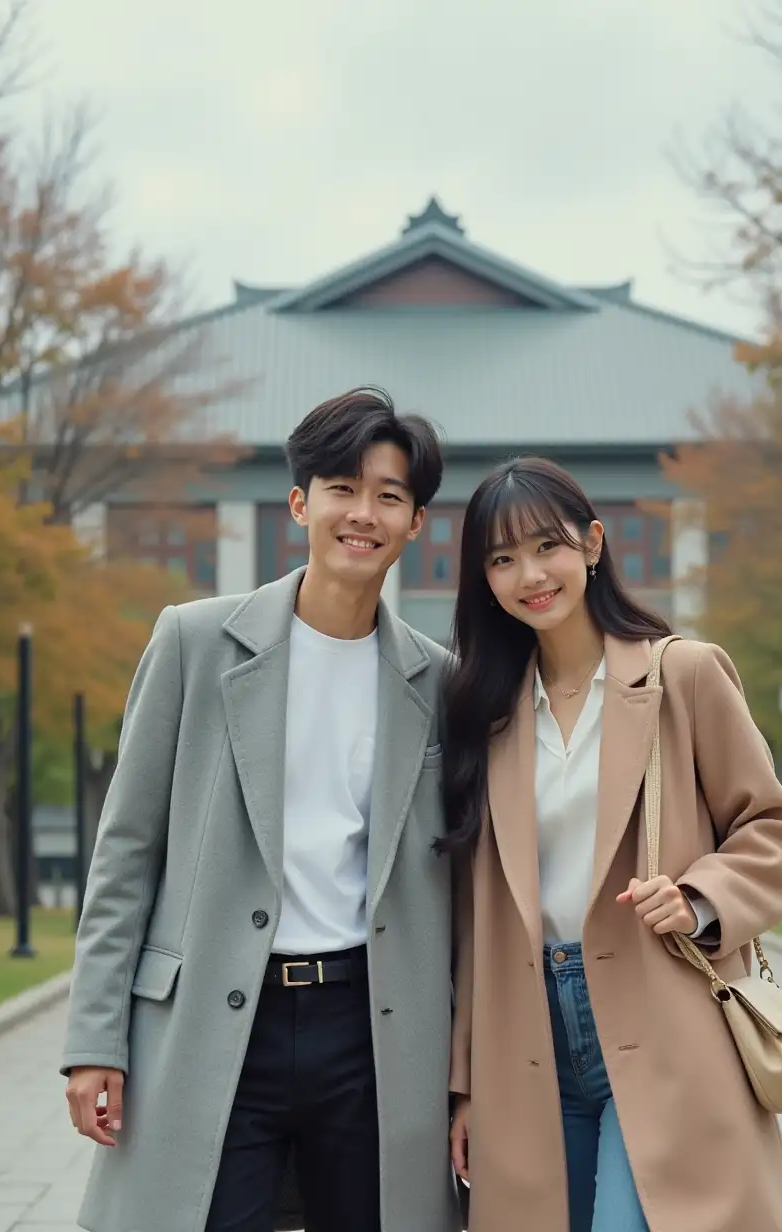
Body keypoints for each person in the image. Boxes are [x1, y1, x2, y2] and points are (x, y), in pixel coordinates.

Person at [62, 387, 463, 1232]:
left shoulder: (439, 680)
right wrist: (94, 1042)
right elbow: (126, 852)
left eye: (390, 496)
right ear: (300, 503)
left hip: (372, 1026)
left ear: (416, 522)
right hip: (216, 1011)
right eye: (342, 490)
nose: (364, 514)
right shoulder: (194, 642)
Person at [443, 457, 782, 1232]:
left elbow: (775, 829)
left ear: (593, 544)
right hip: (528, 1035)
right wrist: (466, 1084)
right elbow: (474, 916)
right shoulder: (487, 716)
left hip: (664, 1016)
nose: (529, 575)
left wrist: (701, 896)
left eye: (546, 546)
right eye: (502, 559)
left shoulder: (682, 676)